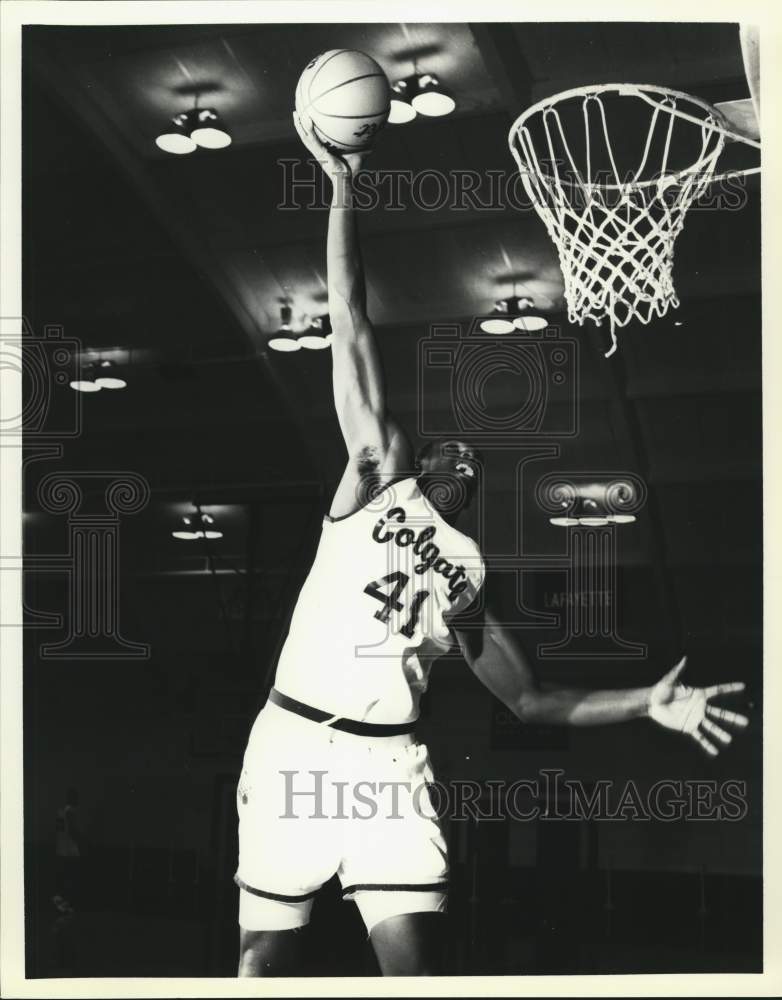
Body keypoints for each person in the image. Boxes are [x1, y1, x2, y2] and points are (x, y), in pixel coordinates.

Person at [234, 113, 750, 977]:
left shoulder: (466, 572)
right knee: (261, 969)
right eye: (449, 448)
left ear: (472, 490)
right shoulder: (374, 482)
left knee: (420, 977)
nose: (461, 457)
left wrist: (644, 704)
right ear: (421, 454)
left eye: (473, 461)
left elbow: (531, 701)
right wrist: (343, 188)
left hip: (391, 765)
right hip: (292, 744)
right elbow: (351, 322)